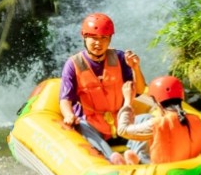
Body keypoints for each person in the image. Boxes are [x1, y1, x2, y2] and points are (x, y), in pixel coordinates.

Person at [59, 13, 143, 162]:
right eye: (94, 38)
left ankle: (135, 155)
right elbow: (65, 100)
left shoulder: (120, 58)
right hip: (92, 125)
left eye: (103, 38)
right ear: (85, 37)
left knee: (147, 119)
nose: (98, 43)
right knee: (81, 126)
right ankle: (112, 158)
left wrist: (136, 68)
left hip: (121, 121)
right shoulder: (73, 64)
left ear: (110, 39)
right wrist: (68, 115)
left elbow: (140, 91)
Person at [118, 75, 201, 165]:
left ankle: (138, 159)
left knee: (129, 153)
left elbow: (122, 130)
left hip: (164, 172)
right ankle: (138, 157)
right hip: (193, 166)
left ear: (157, 102)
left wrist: (127, 101)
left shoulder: (158, 124)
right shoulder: (196, 120)